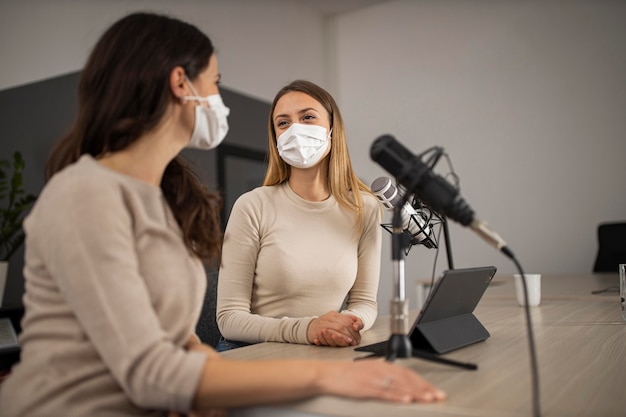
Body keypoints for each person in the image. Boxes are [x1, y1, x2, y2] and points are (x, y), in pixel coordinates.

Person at [0, 12, 445, 417]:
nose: (220, 99)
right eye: (215, 81)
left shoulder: (158, 199)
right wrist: (327, 375)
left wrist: (211, 372)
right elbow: (150, 369)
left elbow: (173, 338)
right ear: (181, 83)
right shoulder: (86, 194)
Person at [216, 80, 382, 351]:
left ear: (332, 128)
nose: (295, 129)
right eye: (283, 123)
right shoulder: (252, 205)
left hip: (321, 349)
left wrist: (346, 325)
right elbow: (229, 319)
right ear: (276, 138)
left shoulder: (365, 208)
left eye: (307, 117)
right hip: (251, 353)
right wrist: (308, 329)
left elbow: (365, 301)